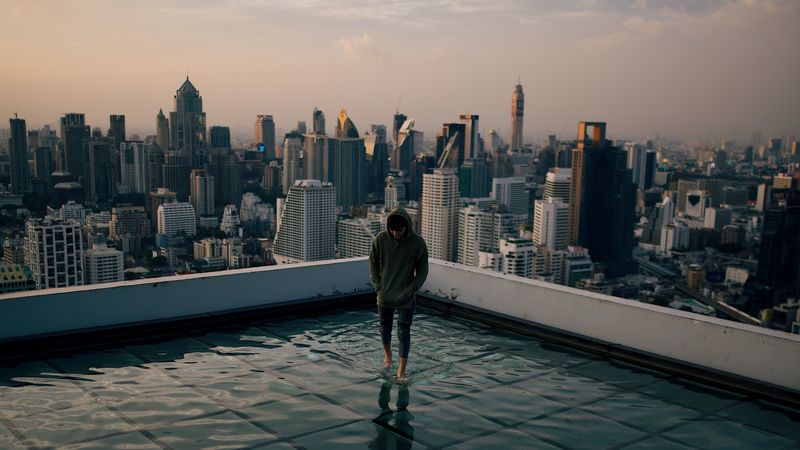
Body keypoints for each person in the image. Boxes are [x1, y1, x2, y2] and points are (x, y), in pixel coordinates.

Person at [369, 207, 429, 382]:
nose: (395, 233)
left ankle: (401, 370)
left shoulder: (417, 243)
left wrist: (411, 290)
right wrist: (377, 285)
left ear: (407, 227)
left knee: (404, 332)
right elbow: (372, 262)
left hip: (405, 296)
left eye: (399, 230)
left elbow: (423, 270)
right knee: (384, 328)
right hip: (384, 294)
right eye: (392, 229)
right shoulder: (380, 239)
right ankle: (388, 356)